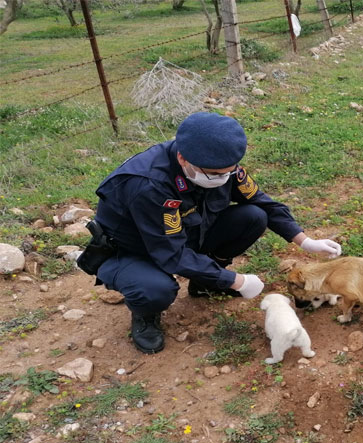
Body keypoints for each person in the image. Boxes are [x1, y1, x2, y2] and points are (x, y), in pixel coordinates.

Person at [83, 112, 341, 354]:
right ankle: (145, 313)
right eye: (216, 174)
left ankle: (205, 282)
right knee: (156, 289)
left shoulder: (219, 164)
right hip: (134, 251)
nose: (224, 178)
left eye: (229, 171)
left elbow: (262, 202)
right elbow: (170, 254)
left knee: (253, 217)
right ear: (183, 159)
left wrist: (305, 241)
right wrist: (235, 280)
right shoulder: (148, 185)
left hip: (182, 235)